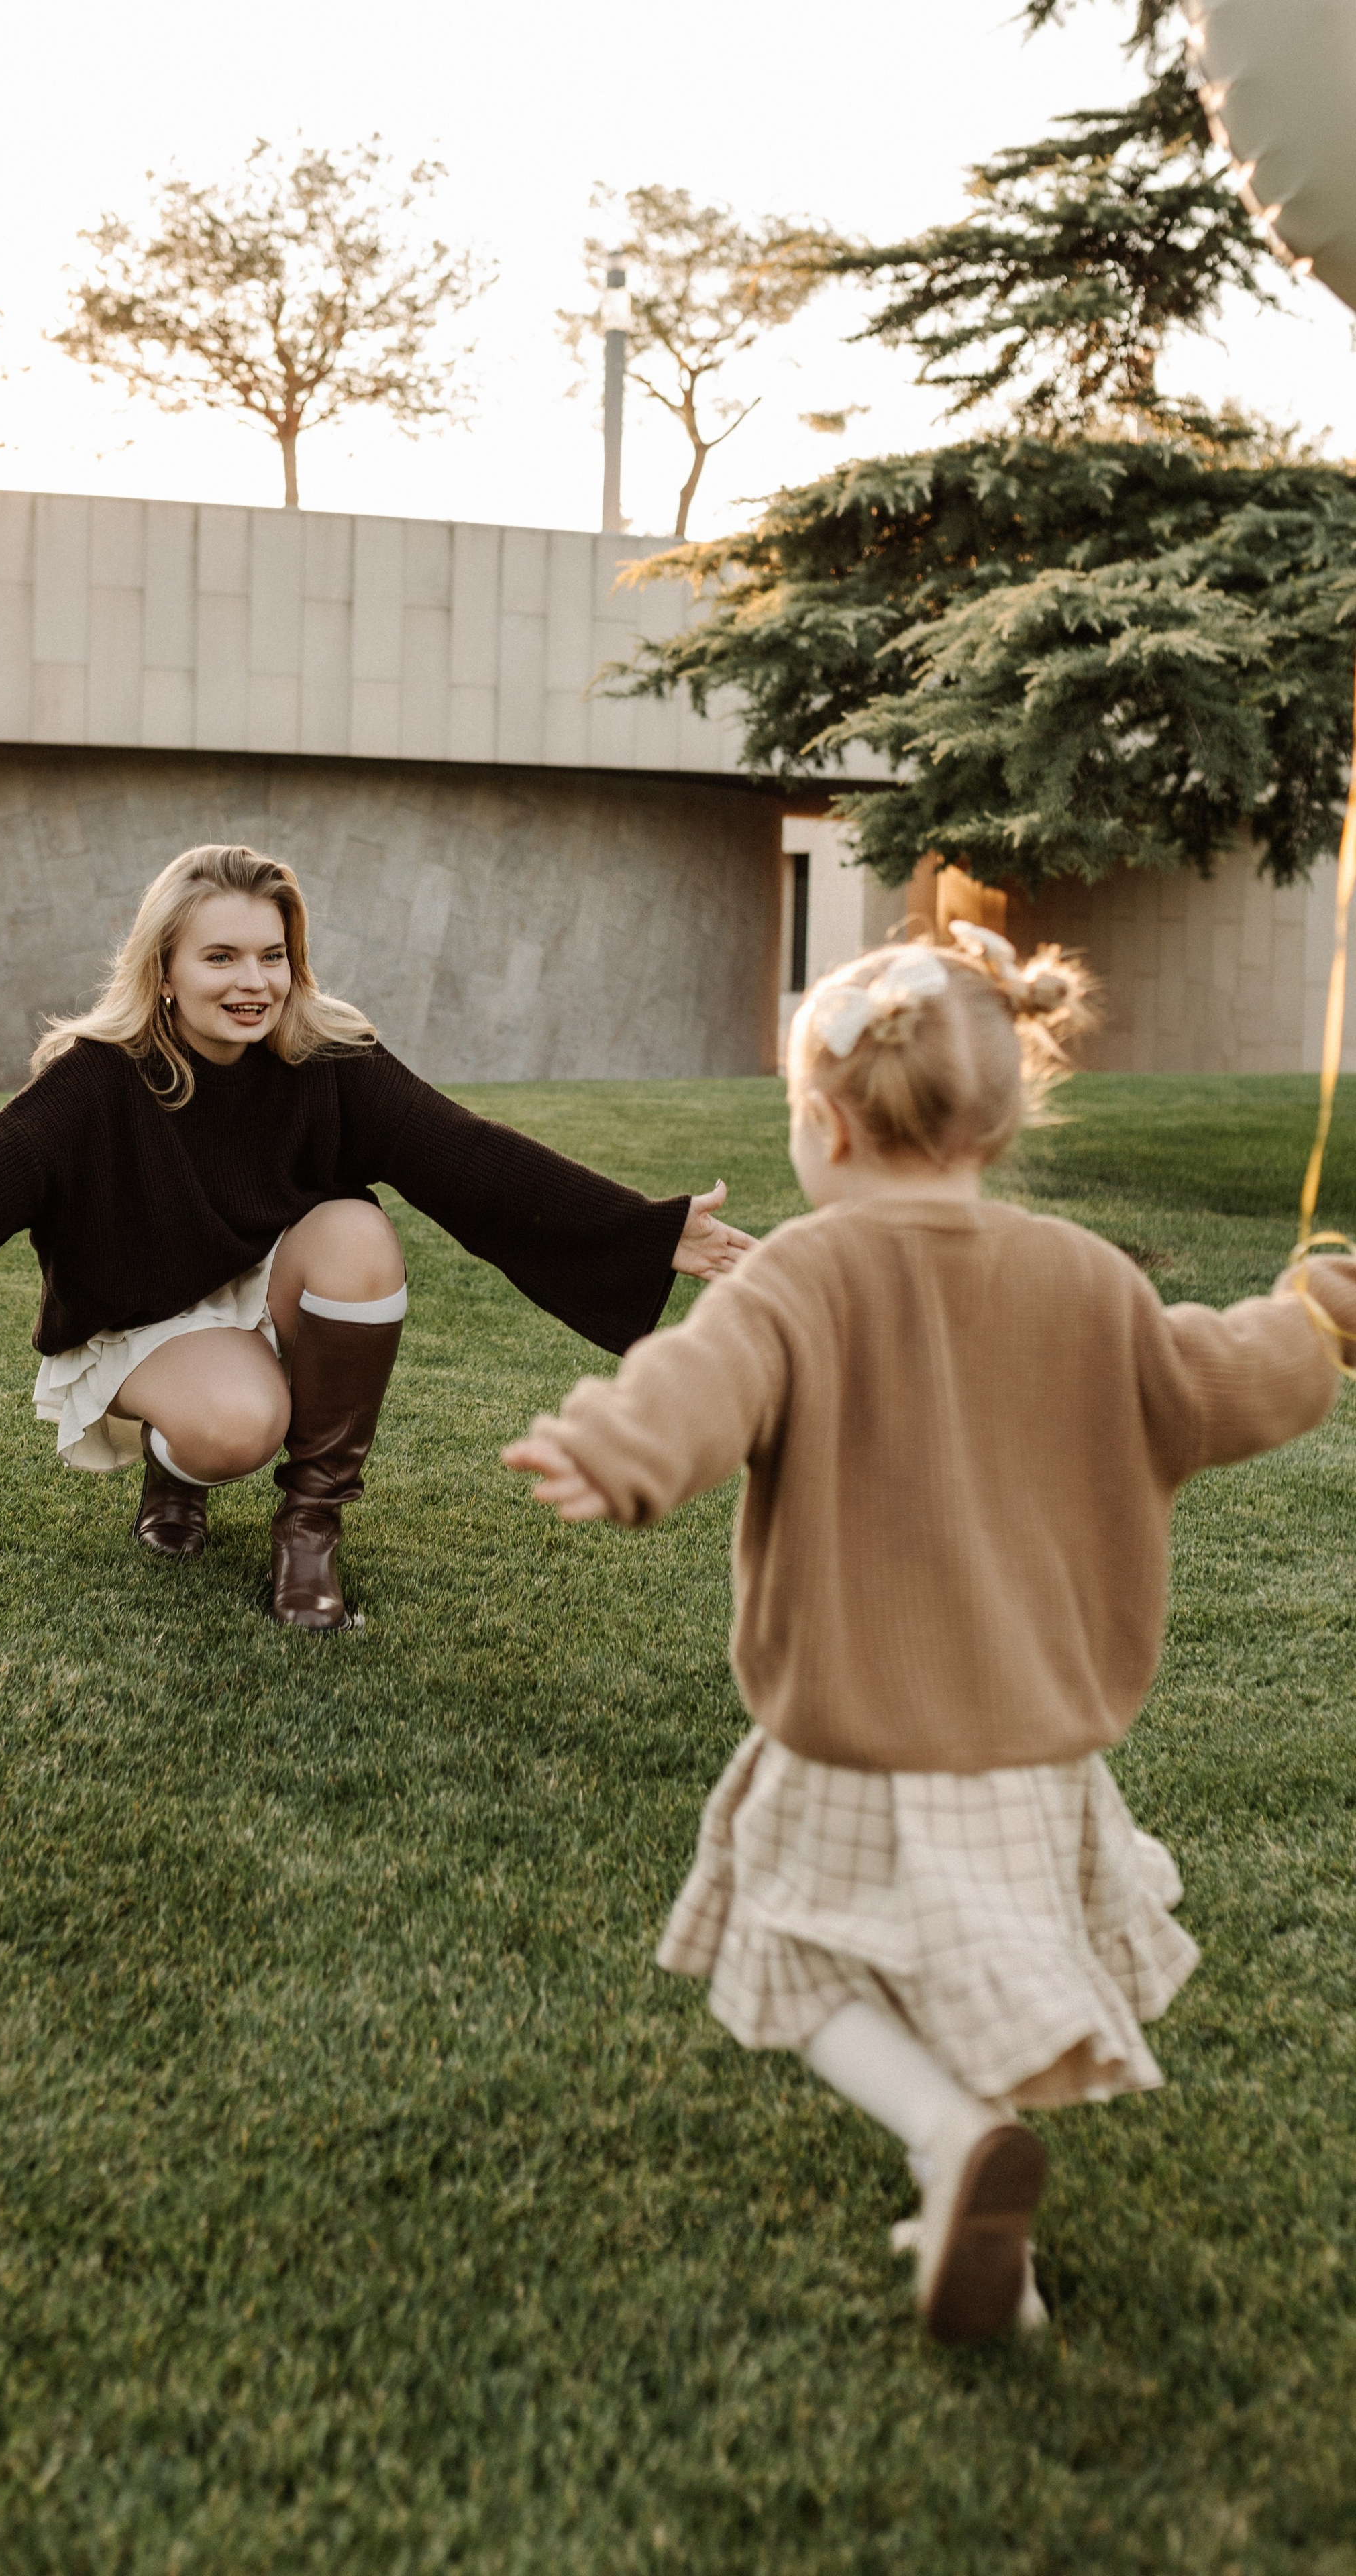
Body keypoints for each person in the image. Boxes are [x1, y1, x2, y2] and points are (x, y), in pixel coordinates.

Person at [505, 924, 1356, 2343]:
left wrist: (621, 1446)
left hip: (856, 1722)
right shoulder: (1086, 1279)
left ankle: (944, 2137)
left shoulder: (799, 1277)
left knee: (790, 1952)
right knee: (989, 1973)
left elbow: (705, 1376)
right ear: (1004, 1115)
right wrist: (1308, 1324)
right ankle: (992, 2241)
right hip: (1032, 1737)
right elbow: (1208, 1383)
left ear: (824, 1127)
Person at [0, 841, 753, 1632]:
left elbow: (466, 1158)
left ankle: (311, 1529)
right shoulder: (98, 1080)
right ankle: (175, 1468)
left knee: (358, 1237)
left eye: (272, 957)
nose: (253, 983)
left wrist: (641, 1233)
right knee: (236, 1425)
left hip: (269, 1288)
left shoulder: (329, 1061)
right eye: (222, 958)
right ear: (166, 969)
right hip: (146, 1316)